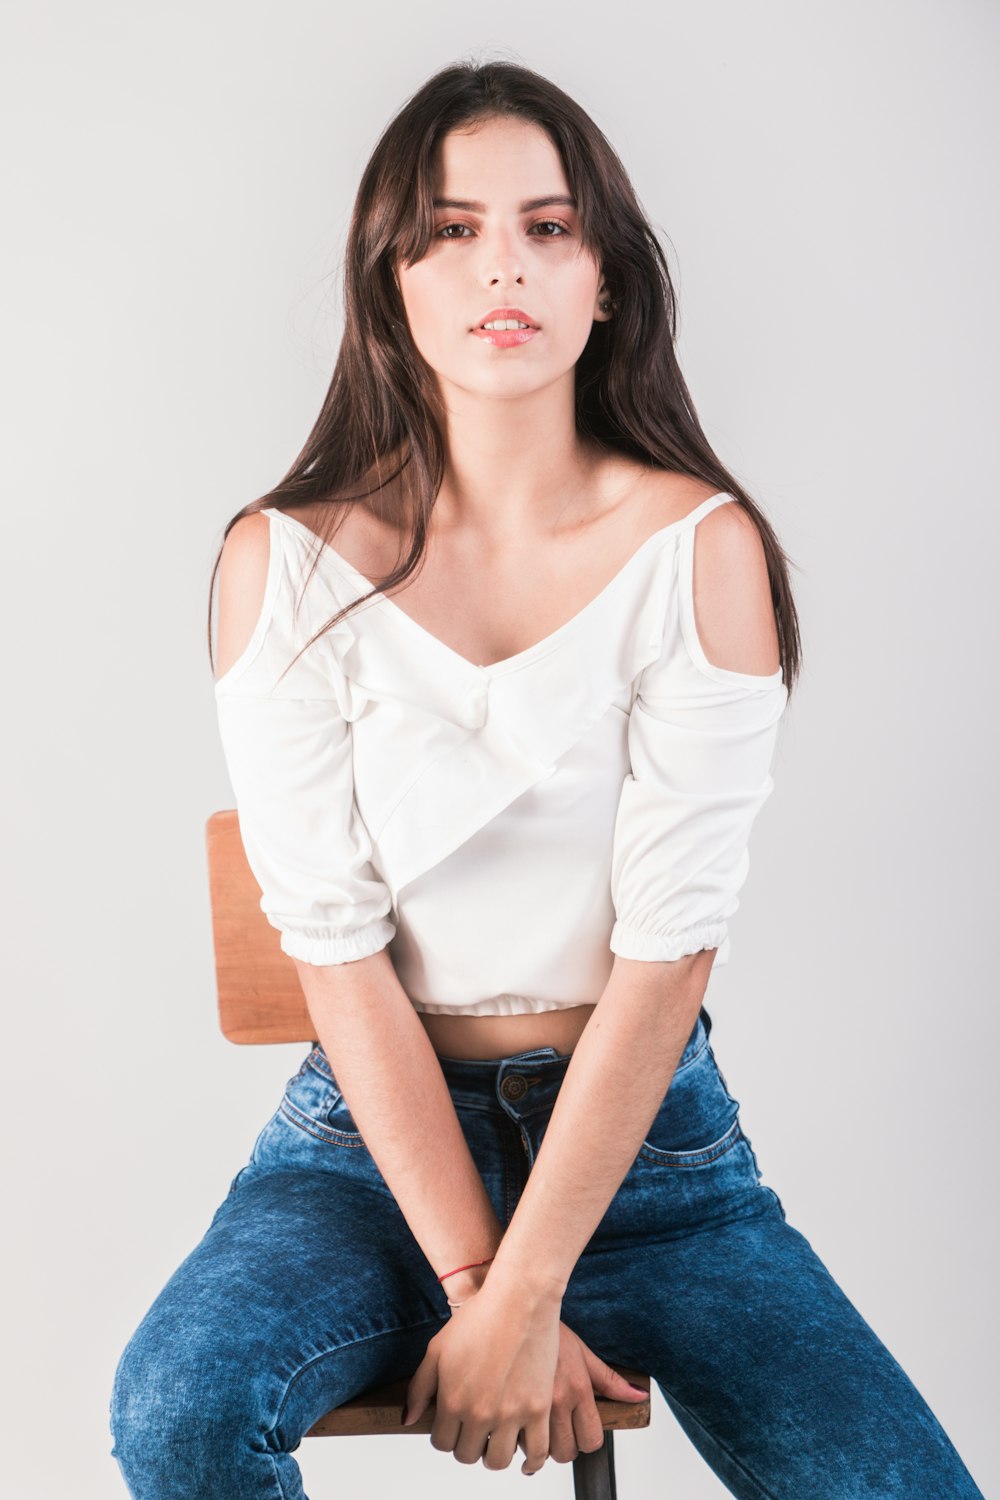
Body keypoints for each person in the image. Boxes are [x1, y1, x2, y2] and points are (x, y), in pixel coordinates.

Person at [108, 59, 984, 1499]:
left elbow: (669, 955)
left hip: (651, 1160)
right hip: (364, 1163)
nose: (499, 263)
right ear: (388, 284)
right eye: (447, 231)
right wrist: (475, 1277)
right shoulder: (284, 562)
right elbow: (331, 951)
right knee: (182, 1412)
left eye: (548, 226)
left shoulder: (701, 549)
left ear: (607, 284)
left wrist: (527, 1296)